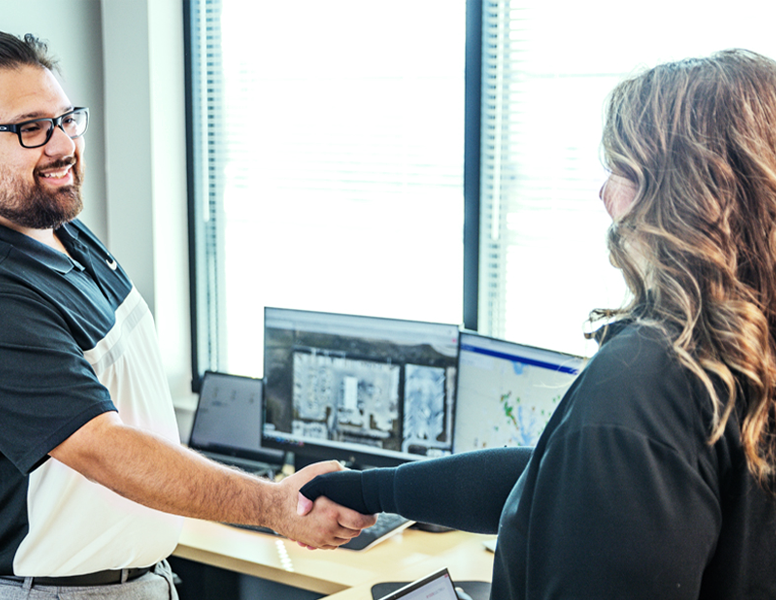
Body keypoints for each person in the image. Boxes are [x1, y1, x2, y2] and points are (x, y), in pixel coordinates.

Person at [0, 30, 375, 600]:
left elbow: (131, 405)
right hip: (41, 592)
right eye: (31, 128)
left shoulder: (56, 228)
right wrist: (273, 505)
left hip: (130, 580)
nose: (63, 146)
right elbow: (106, 448)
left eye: (67, 120)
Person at [300, 49, 776, 599]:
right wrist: (369, 490)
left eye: (619, 169)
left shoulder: (641, 389)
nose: (604, 195)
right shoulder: (739, 353)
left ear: (679, 194)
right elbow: (560, 481)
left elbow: (605, 466)